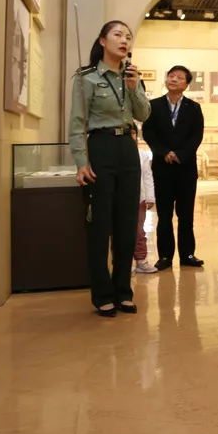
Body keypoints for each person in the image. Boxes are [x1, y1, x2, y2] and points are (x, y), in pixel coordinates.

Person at [69, 20, 151, 317]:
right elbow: (77, 123)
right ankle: (102, 294)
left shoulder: (132, 77)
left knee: (127, 224)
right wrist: (81, 162)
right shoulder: (86, 78)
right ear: (103, 41)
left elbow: (144, 114)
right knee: (100, 225)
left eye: (128, 36)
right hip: (100, 147)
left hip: (128, 149)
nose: (124, 40)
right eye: (118, 35)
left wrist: (134, 87)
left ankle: (123, 292)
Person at [142, 66, 205, 270]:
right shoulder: (154, 105)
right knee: (164, 216)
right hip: (163, 168)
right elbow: (148, 132)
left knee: (186, 216)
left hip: (186, 168)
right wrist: (164, 152)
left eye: (179, 77)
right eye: (171, 76)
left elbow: (196, 135)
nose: (174, 79)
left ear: (186, 84)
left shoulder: (193, 108)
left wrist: (181, 154)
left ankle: (187, 255)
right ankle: (165, 257)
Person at [130, 124, 157, 274]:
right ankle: (121, 262)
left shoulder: (142, 155)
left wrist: (150, 197)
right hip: (121, 199)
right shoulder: (116, 155)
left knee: (139, 231)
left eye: (133, 133)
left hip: (139, 199)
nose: (131, 136)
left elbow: (147, 176)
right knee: (119, 231)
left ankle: (141, 260)